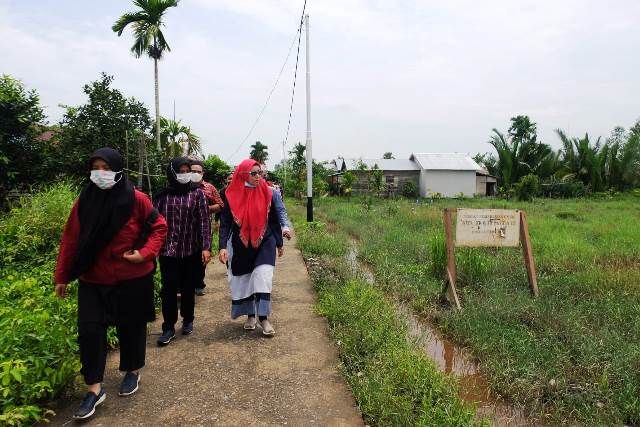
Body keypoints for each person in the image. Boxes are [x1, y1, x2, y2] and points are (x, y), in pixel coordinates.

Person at [54, 147, 167, 420]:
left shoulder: (136, 199)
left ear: (118, 170)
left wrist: (144, 253)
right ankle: (94, 388)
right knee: (89, 330)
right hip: (93, 278)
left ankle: (132, 371)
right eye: (96, 168)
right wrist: (62, 275)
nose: (100, 173)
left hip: (131, 277)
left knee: (131, 327)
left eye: (106, 168)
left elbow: (159, 227)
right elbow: (70, 239)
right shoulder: (84, 202)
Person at [218, 159, 286, 336]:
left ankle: (263, 318)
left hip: (265, 241)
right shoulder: (230, 194)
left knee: (263, 277)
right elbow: (225, 223)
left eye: (260, 173)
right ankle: (250, 316)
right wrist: (222, 246)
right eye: (253, 173)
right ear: (243, 174)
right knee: (246, 280)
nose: (258, 176)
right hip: (241, 244)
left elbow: (274, 220)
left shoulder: (268, 192)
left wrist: (279, 242)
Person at [154, 157, 211, 346]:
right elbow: (154, 223)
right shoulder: (162, 196)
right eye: (181, 171)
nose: (185, 174)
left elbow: (204, 222)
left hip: (190, 250)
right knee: (168, 289)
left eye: (188, 171)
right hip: (168, 251)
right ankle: (168, 327)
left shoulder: (197, 194)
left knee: (188, 288)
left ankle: (188, 319)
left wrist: (206, 247)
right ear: (172, 173)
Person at [190, 159, 224, 296]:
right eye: (193, 171)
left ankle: (199, 284)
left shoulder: (209, 188)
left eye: (198, 171)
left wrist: (205, 209)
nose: (195, 173)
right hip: (185, 230)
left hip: (203, 228)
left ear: (203, 173)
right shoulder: (182, 186)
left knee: (202, 256)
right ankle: (183, 285)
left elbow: (220, 204)